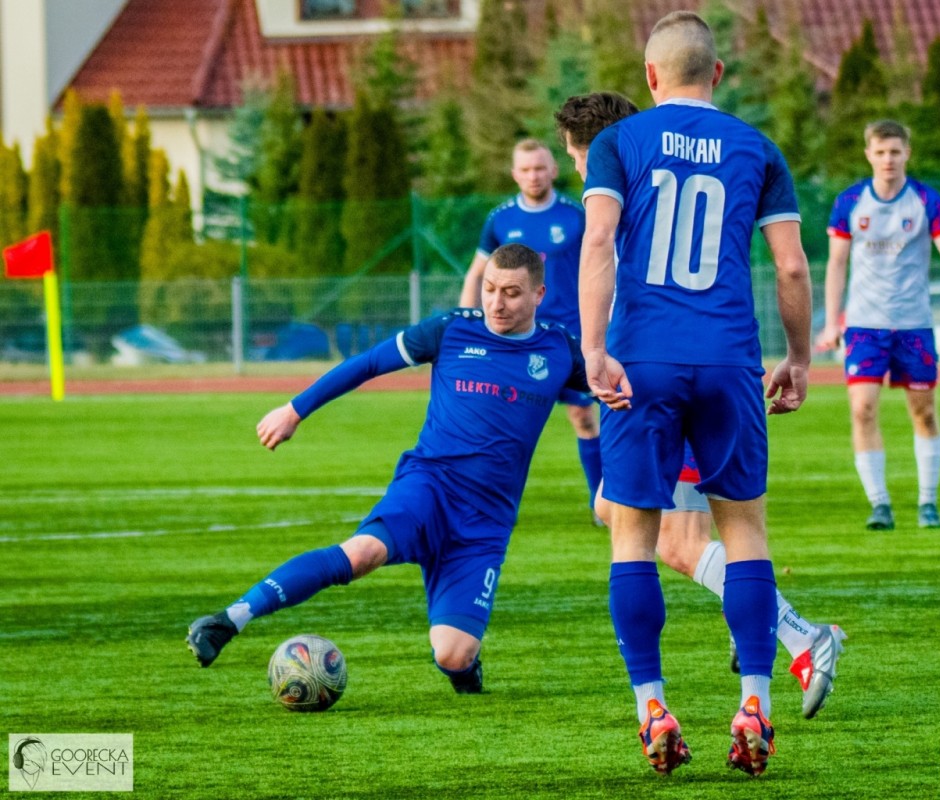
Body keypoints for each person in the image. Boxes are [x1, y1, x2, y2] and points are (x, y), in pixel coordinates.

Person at [577, 13, 842, 777]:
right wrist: (798, 357)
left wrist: (594, 349)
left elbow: (599, 241)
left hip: (643, 363)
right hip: (729, 359)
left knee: (633, 537)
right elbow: (791, 267)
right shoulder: (756, 148)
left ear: (650, 76)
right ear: (717, 74)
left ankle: (652, 707)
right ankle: (754, 702)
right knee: (746, 532)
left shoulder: (618, 142)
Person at [186, 244, 589, 695]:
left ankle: (465, 668)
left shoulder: (560, 349)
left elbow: (622, 392)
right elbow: (370, 363)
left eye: (511, 293)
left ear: (539, 294)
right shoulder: (451, 330)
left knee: (453, 655)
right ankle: (228, 620)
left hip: (486, 520)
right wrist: (295, 410)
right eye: (489, 288)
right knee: (361, 554)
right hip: (428, 487)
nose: (496, 302)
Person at [819, 120, 940, 531]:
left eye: (896, 152)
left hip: (913, 324)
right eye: (881, 152)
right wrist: (831, 322)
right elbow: (836, 264)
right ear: (869, 154)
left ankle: (927, 502)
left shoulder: (925, 200)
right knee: (862, 409)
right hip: (864, 325)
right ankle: (879, 504)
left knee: (924, 412)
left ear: (907, 154)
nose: (888, 159)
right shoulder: (850, 202)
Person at [459, 140, 602, 521]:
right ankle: (482, 503)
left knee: (584, 417)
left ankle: (600, 503)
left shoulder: (577, 215)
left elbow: (603, 267)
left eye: (539, 168)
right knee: (496, 419)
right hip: (515, 341)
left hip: (569, 337)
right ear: (514, 174)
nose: (533, 176)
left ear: (553, 170)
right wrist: (469, 326)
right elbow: (476, 275)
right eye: (525, 169)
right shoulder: (500, 219)